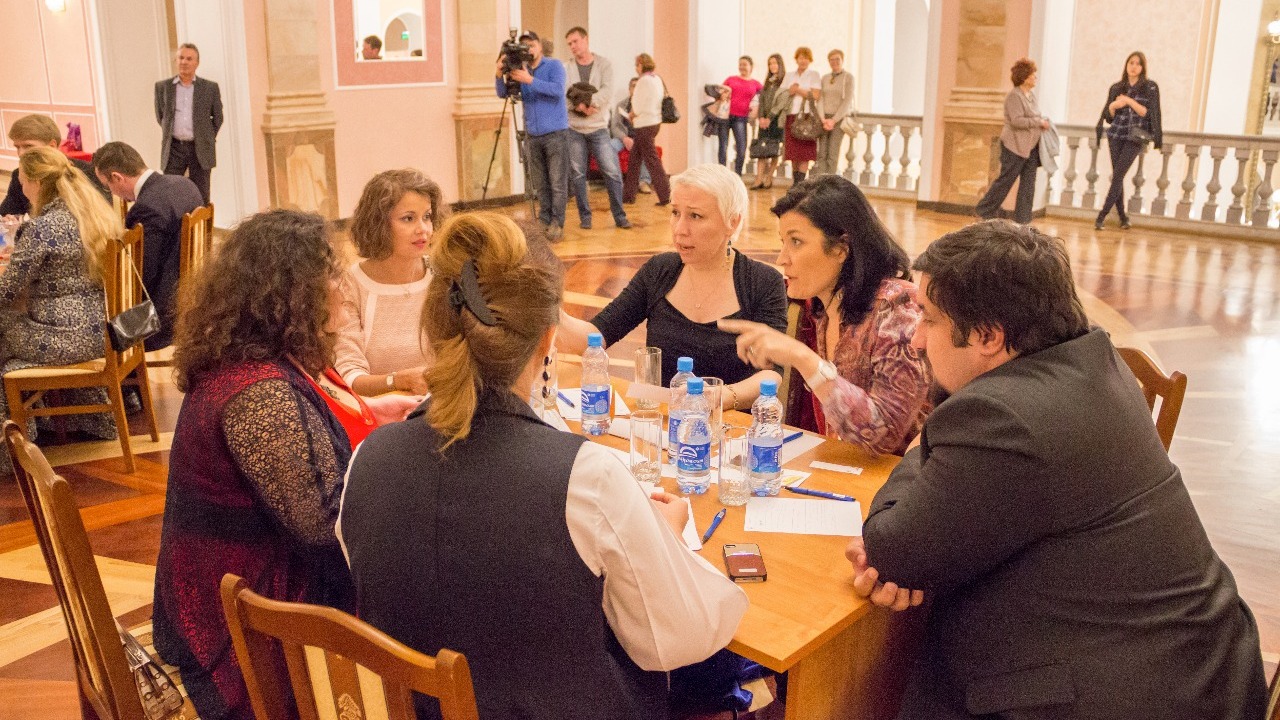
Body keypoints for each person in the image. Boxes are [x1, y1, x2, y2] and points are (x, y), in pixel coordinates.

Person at [846, 220, 1269, 720]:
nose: (916, 340)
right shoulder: (1095, 360)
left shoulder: (1000, 416)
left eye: (930, 319)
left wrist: (920, 447)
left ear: (988, 336)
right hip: (1206, 665)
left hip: (1116, 697)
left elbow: (892, 551)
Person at [338, 211, 748, 720]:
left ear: (433, 329)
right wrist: (666, 537)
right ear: (548, 340)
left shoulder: (366, 460)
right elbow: (680, 638)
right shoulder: (586, 478)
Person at [152, 209, 418, 720]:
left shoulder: (259, 360)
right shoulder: (258, 394)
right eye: (330, 276)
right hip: (247, 617)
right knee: (428, 597)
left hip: (242, 579)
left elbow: (308, 443)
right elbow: (324, 528)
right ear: (293, 293)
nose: (342, 288)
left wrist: (372, 415)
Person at [720, 175, 930, 455]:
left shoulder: (898, 307)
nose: (782, 258)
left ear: (842, 248)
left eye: (796, 242)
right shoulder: (826, 307)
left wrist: (802, 357)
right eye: (783, 242)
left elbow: (884, 436)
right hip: (849, 469)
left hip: (901, 478)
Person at [560, 164, 786, 409]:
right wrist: (547, 307)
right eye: (675, 213)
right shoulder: (660, 270)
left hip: (730, 423)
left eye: (695, 216)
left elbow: (772, 373)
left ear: (732, 222)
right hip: (665, 419)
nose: (680, 230)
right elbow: (595, 337)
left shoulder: (762, 282)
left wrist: (722, 396)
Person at [0, 147, 120, 471]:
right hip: (100, 332)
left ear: (37, 183)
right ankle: (80, 422)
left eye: (22, 182)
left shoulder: (43, 228)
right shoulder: (92, 214)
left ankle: (14, 447)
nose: (21, 189)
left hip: (63, 339)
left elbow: (8, 290)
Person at [334, 169, 445, 398]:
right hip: (380, 411)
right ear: (379, 224)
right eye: (408, 218)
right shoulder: (349, 285)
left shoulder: (443, 275)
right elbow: (349, 376)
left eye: (427, 216)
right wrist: (397, 381)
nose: (423, 229)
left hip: (445, 405)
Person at [91, 141, 203, 351]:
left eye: (108, 186)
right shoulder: (185, 184)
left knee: (95, 332)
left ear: (117, 177)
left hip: (161, 317)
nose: (112, 193)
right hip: (193, 297)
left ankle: (126, 371)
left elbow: (142, 275)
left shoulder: (147, 208)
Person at [495, 31, 570, 241]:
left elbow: (557, 90)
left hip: (556, 134)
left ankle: (557, 223)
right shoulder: (521, 68)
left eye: (532, 44)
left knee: (557, 183)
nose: (528, 49)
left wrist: (529, 80)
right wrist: (498, 73)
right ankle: (544, 219)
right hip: (532, 135)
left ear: (540, 46)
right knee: (540, 184)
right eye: (524, 45)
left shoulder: (554, 66)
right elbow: (503, 93)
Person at [563, 26, 631, 230]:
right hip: (574, 129)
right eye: (569, 44)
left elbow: (607, 91)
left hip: (598, 128)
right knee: (578, 175)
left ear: (586, 40)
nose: (573, 46)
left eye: (575, 41)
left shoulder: (604, 65)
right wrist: (579, 107)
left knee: (612, 172)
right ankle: (585, 217)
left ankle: (620, 216)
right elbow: (564, 95)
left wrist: (587, 103)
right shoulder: (567, 68)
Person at [974, 58, 1048, 225]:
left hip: (1031, 148)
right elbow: (1016, 121)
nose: (1035, 77)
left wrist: (1040, 122)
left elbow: (1034, 116)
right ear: (1024, 77)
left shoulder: (1031, 96)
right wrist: (1038, 122)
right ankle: (984, 210)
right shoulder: (1014, 96)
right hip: (1014, 146)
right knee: (1006, 180)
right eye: (1033, 74)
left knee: (1028, 184)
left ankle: (1023, 219)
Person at [1095, 51, 1162, 231]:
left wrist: (1128, 101)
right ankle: (1123, 217)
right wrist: (1114, 105)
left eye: (1138, 64)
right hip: (1116, 134)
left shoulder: (1149, 87)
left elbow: (1148, 113)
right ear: (1126, 65)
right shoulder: (1117, 87)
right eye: (1131, 63)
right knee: (1119, 176)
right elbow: (1109, 116)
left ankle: (1101, 215)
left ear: (1143, 67)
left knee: (1117, 175)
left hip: (1135, 137)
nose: (1134, 66)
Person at [1, 114, 109, 217]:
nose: (21, 153)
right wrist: (9, 218)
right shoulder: (20, 175)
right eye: (17, 147)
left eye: (28, 146)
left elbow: (103, 214)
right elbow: (6, 212)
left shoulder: (86, 172)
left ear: (52, 146)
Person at [155, 43, 223, 205]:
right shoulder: (163, 87)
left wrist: (204, 137)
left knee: (201, 195)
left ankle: (203, 222)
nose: (184, 62)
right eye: (181, 58)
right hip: (174, 149)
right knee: (171, 193)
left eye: (189, 59)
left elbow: (218, 118)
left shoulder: (210, 88)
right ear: (176, 60)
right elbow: (161, 117)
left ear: (197, 63)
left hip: (199, 149)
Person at [622, 53, 673, 205]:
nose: (636, 68)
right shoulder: (657, 79)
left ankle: (666, 196)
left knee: (652, 161)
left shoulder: (643, 81)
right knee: (634, 160)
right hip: (654, 123)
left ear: (641, 65)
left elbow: (637, 105)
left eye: (637, 65)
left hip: (643, 125)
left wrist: (631, 114)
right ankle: (628, 196)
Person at [782, 47, 821, 186]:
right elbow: (783, 93)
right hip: (791, 115)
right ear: (796, 59)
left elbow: (815, 95)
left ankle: (801, 183)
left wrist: (797, 89)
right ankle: (795, 183)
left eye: (806, 58)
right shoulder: (789, 75)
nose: (803, 60)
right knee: (793, 152)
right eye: (801, 57)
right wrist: (793, 91)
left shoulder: (814, 75)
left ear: (810, 60)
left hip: (806, 116)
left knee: (804, 152)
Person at [750, 54, 789, 191]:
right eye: (770, 63)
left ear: (780, 65)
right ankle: (758, 178)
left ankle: (769, 177)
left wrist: (769, 118)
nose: (772, 66)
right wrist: (761, 117)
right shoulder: (767, 83)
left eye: (775, 63)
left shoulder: (784, 82)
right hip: (763, 121)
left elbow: (782, 103)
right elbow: (761, 102)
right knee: (761, 150)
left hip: (776, 121)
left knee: (773, 150)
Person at [815, 49, 854, 177]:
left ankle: (830, 182)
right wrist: (822, 118)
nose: (835, 62)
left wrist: (834, 120)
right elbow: (820, 99)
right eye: (832, 60)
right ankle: (820, 181)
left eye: (837, 59)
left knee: (832, 153)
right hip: (824, 119)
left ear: (842, 60)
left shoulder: (848, 77)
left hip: (838, 120)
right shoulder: (825, 78)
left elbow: (847, 101)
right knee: (821, 153)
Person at [610, 77, 653, 193]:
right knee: (610, 146)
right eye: (634, 86)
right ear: (629, 89)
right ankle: (617, 182)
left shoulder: (647, 106)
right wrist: (624, 138)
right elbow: (615, 126)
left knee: (647, 145)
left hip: (640, 137)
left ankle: (644, 182)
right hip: (623, 137)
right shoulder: (621, 105)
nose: (636, 89)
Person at [722, 56, 762, 176]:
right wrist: (722, 95)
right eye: (740, 64)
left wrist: (756, 111)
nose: (742, 67)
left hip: (741, 118)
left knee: (741, 149)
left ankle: (737, 175)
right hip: (725, 116)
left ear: (751, 66)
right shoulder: (730, 79)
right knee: (723, 146)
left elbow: (763, 98)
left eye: (745, 64)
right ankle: (721, 175)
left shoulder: (756, 84)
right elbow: (720, 91)